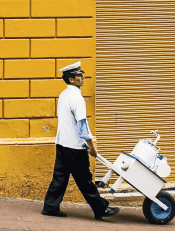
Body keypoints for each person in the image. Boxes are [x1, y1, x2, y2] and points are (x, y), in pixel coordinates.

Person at [41, 62, 120, 220]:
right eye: (79, 76)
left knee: (60, 177)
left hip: (62, 143)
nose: (83, 78)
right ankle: (100, 209)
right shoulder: (77, 97)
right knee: (85, 180)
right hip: (75, 147)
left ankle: (50, 206)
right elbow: (82, 124)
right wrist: (91, 146)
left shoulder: (64, 95)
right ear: (71, 79)